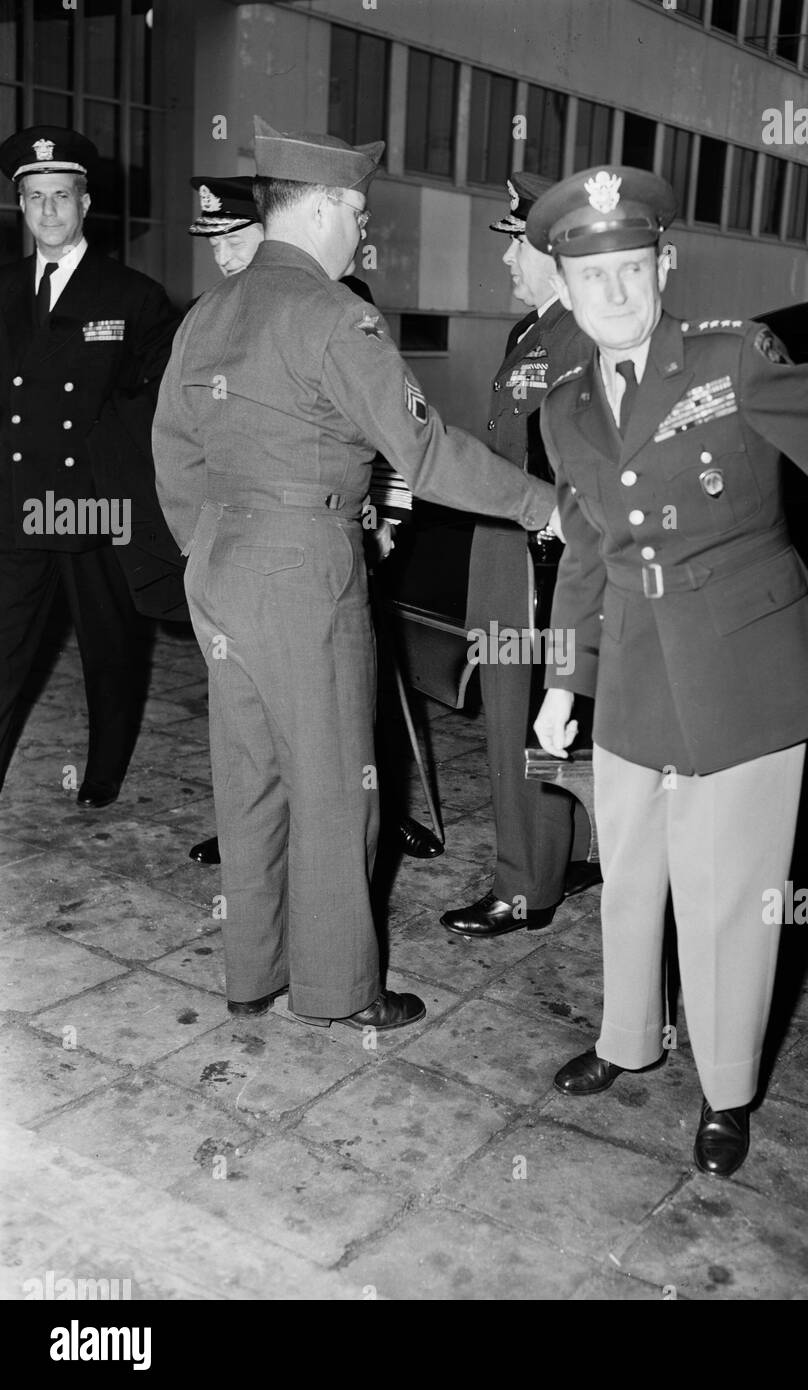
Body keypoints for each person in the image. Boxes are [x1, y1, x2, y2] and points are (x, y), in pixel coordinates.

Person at [529, 166, 808, 1177]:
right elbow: (584, 549)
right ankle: (628, 1040)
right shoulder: (563, 407)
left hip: (747, 673)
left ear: (663, 267)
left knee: (730, 898)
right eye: (590, 276)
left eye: (631, 270)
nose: (613, 294)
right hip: (635, 677)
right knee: (630, 877)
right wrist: (565, 680)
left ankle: (726, 1086)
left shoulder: (736, 359)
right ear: (562, 287)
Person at [152, 118, 557, 1030]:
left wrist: (205, 549)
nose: (366, 232)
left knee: (249, 780)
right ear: (328, 206)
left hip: (220, 564)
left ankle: (253, 975)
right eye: (361, 212)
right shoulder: (335, 316)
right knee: (337, 785)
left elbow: (171, 448)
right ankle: (339, 994)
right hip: (303, 566)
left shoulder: (209, 313)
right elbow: (428, 451)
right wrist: (545, 505)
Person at [181, 174, 441, 866]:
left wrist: (383, 513)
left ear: (266, 231)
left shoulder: (340, 302)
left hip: (327, 530)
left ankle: (384, 820)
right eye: (216, 244)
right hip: (278, 546)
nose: (228, 255)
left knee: (348, 715)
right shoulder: (215, 309)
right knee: (290, 738)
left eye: (238, 238)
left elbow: (383, 435)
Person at [0, 126, 180, 805]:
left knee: (108, 653)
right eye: (35, 198)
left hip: (92, 502)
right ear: (21, 206)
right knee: (5, 650)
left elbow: (156, 401)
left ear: (86, 204)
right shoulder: (4, 288)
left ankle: (102, 774)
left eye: (61, 197)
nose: (48, 212)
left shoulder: (133, 297)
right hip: (15, 500)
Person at [440, 172, 598, 941]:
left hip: (537, 568)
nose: (503, 262)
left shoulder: (575, 338)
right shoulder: (534, 332)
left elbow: (565, 470)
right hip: (509, 552)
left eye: (513, 246)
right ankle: (562, 857)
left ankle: (522, 888)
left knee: (523, 726)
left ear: (549, 251)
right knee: (539, 722)